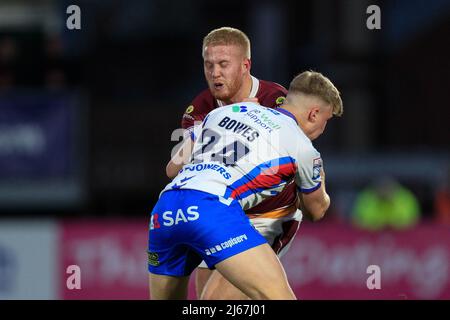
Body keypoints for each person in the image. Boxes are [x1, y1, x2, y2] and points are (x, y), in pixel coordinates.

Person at [149, 70, 343, 300]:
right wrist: (317, 170)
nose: (323, 129)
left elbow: (173, 168)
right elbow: (316, 210)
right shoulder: (302, 146)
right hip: (212, 207)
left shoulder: (222, 112)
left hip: (166, 209)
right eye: (326, 121)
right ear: (314, 114)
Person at [166, 27, 301, 300]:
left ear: (245, 65)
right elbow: (174, 170)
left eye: (223, 64)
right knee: (210, 296)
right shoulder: (201, 108)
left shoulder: (275, 100)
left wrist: (252, 118)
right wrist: (205, 130)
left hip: (265, 218)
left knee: (213, 300)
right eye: (209, 65)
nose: (215, 73)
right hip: (218, 215)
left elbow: (288, 165)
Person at [351, 177, 420, 231]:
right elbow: (359, 221)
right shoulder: (367, 199)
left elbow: (411, 221)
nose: (385, 192)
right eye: (382, 189)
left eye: (387, 189)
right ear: (376, 189)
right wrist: (378, 225)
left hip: (401, 237)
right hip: (372, 238)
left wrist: (394, 224)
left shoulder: (404, 199)